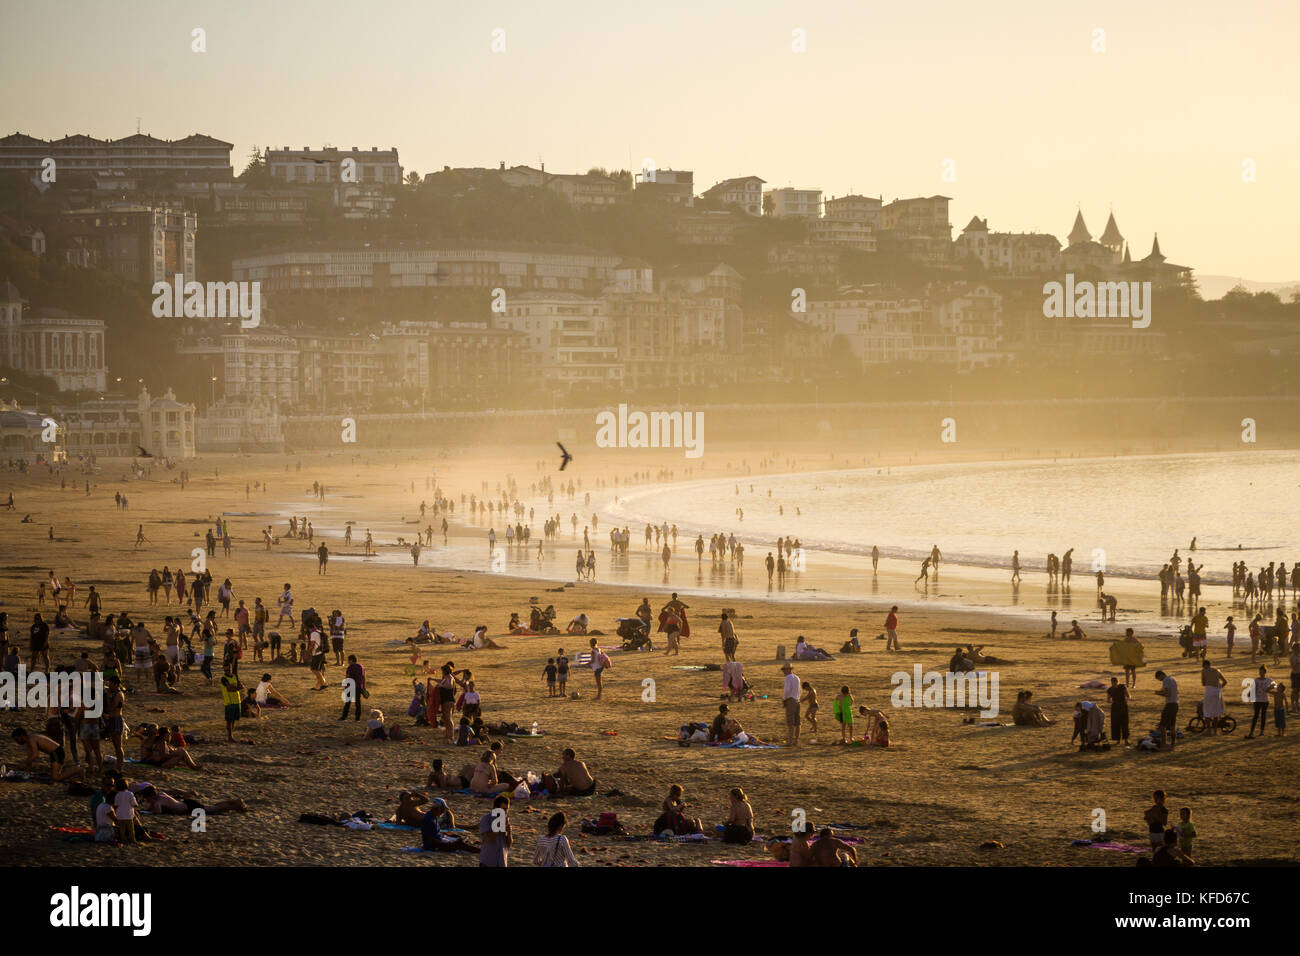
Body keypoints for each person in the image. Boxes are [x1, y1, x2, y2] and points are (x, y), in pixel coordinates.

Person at [478, 795, 512, 867]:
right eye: (503, 809)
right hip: (488, 862)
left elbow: (508, 845)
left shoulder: (505, 819)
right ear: (496, 808)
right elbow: (487, 839)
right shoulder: (486, 819)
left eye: (507, 809)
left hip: (501, 862)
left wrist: (509, 833)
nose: (505, 812)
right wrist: (498, 827)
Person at [1200, 659, 1228, 735]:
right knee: (1216, 712)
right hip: (1216, 692)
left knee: (1207, 711)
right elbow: (1225, 681)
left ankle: (1209, 730)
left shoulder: (1204, 671)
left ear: (1204, 665)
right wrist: (1219, 688)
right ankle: (1215, 731)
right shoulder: (1217, 670)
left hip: (1209, 691)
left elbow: (1203, 683)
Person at [1247, 665, 1274, 738]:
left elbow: (1275, 685)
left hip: (1265, 700)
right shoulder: (1256, 680)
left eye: (1262, 671)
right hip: (1257, 700)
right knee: (1256, 716)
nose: (1260, 673)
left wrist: (1269, 689)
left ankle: (1262, 731)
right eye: (1260, 671)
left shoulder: (1268, 680)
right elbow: (1253, 689)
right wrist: (1249, 694)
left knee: (1263, 716)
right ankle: (1252, 732)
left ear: (1265, 672)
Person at [220, 666, 243, 742]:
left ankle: (231, 735)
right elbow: (230, 689)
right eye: (226, 670)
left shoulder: (234, 676)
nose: (227, 671)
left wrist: (234, 687)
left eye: (228, 669)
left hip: (237, 701)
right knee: (229, 720)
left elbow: (240, 686)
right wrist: (237, 687)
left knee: (233, 720)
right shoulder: (223, 678)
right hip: (229, 702)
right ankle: (230, 736)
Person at [781, 662, 801, 746]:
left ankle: (790, 741)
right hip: (797, 700)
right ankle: (796, 740)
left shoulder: (788, 678)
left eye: (784, 670)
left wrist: (784, 699)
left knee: (790, 722)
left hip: (790, 700)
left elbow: (787, 690)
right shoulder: (797, 677)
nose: (784, 672)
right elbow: (800, 690)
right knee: (797, 722)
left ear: (788, 669)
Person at [341, 655, 365, 721]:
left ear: (351, 660)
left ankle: (344, 717)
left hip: (351, 686)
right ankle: (357, 718)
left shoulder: (350, 667)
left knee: (348, 703)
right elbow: (363, 677)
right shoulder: (361, 667)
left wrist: (345, 687)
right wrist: (363, 687)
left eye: (348, 660)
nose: (348, 662)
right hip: (358, 686)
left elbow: (347, 677)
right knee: (358, 703)